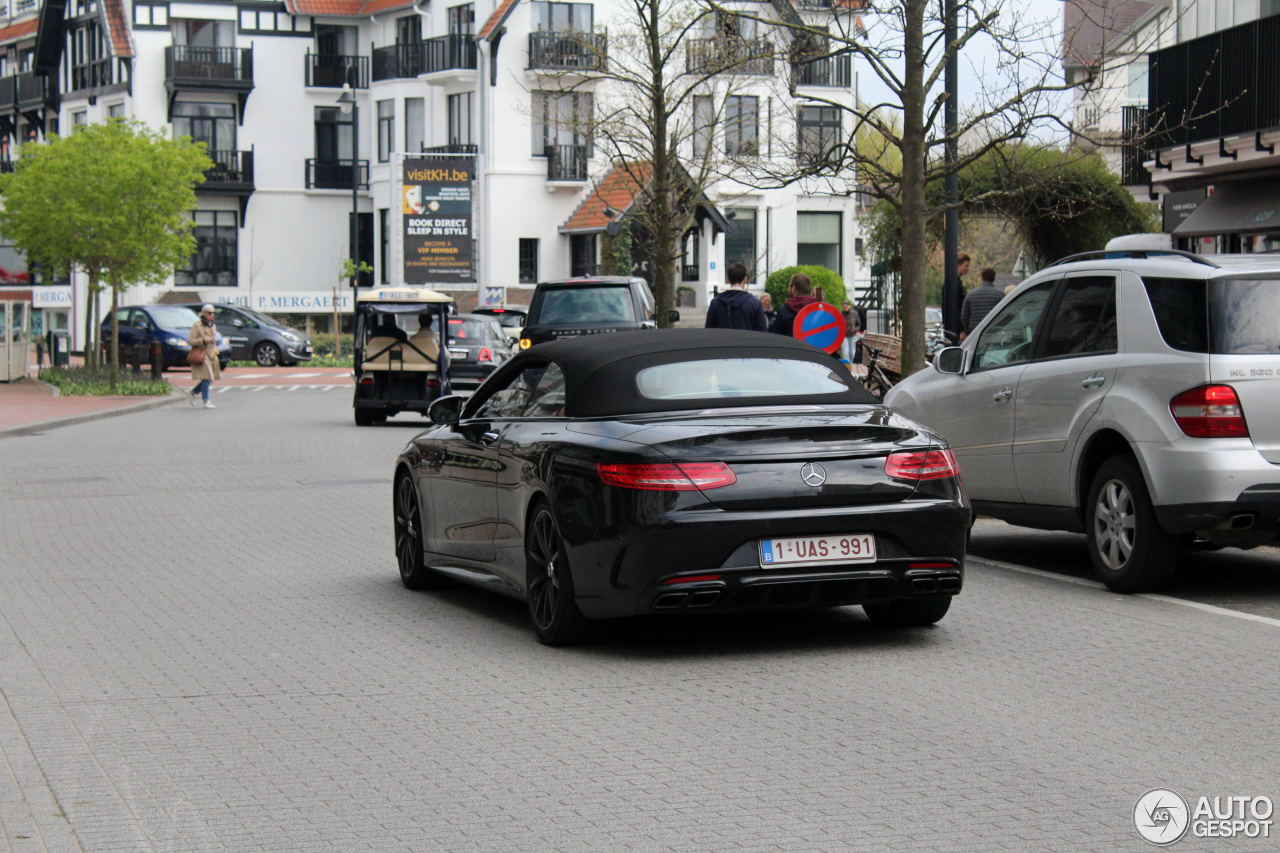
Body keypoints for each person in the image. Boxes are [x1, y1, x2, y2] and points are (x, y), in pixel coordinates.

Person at [704, 262, 767, 331]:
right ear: (745, 279)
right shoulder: (754, 303)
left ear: (728, 279)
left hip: (721, 341)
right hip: (747, 341)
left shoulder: (715, 303)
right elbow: (762, 331)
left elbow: (708, 330)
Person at [188, 304, 221, 409]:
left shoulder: (213, 326)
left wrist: (215, 346)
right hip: (202, 353)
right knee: (206, 377)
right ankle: (206, 400)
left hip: (211, 353)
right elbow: (191, 340)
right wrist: (202, 340)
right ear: (203, 314)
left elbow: (213, 340)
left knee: (212, 378)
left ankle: (192, 393)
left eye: (214, 313)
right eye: (210, 313)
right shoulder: (197, 325)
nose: (212, 315)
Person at [960, 266, 1003, 341]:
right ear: (994, 278)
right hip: (993, 333)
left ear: (982, 278)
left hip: (974, 332)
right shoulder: (1000, 295)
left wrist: (968, 331)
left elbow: (964, 316)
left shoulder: (970, 295)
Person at [769, 272, 817, 338]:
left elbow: (777, 337)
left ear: (793, 288)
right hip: (813, 347)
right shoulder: (817, 307)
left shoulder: (784, 309)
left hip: (791, 347)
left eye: (789, 285)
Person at [941, 252, 970, 345]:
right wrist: (961, 329)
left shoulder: (953, 282)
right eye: (966, 266)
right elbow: (956, 307)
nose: (968, 269)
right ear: (958, 265)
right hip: (955, 329)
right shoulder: (954, 284)